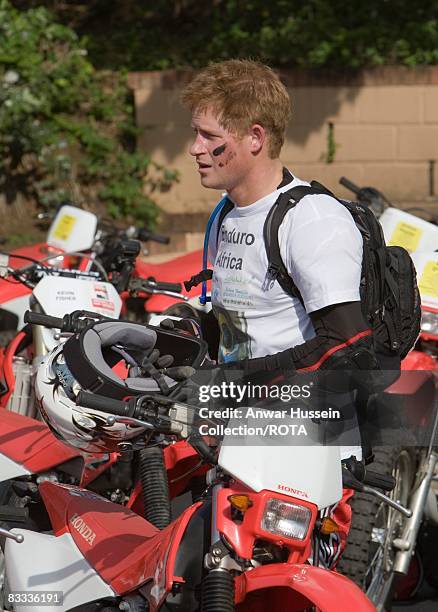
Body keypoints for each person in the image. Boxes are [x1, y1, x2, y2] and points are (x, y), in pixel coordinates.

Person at [179, 59, 380, 568]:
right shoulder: (227, 212)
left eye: (209, 136)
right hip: (239, 443)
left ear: (255, 137)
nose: (194, 149)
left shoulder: (310, 219)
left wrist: (239, 381)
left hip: (306, 458)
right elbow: (241, 319)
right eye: (194, 134)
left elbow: (347, 344)